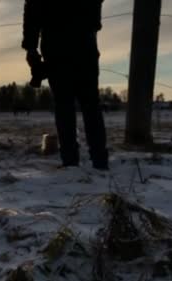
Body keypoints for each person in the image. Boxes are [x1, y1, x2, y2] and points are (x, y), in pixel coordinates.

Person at [22, 0, 109, 170]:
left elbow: (31, 12)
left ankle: (70, 161)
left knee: (64, 105)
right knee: (90, 105)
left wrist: (31, 48)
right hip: (83, 41)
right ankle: (99, 161)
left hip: (56, 43)